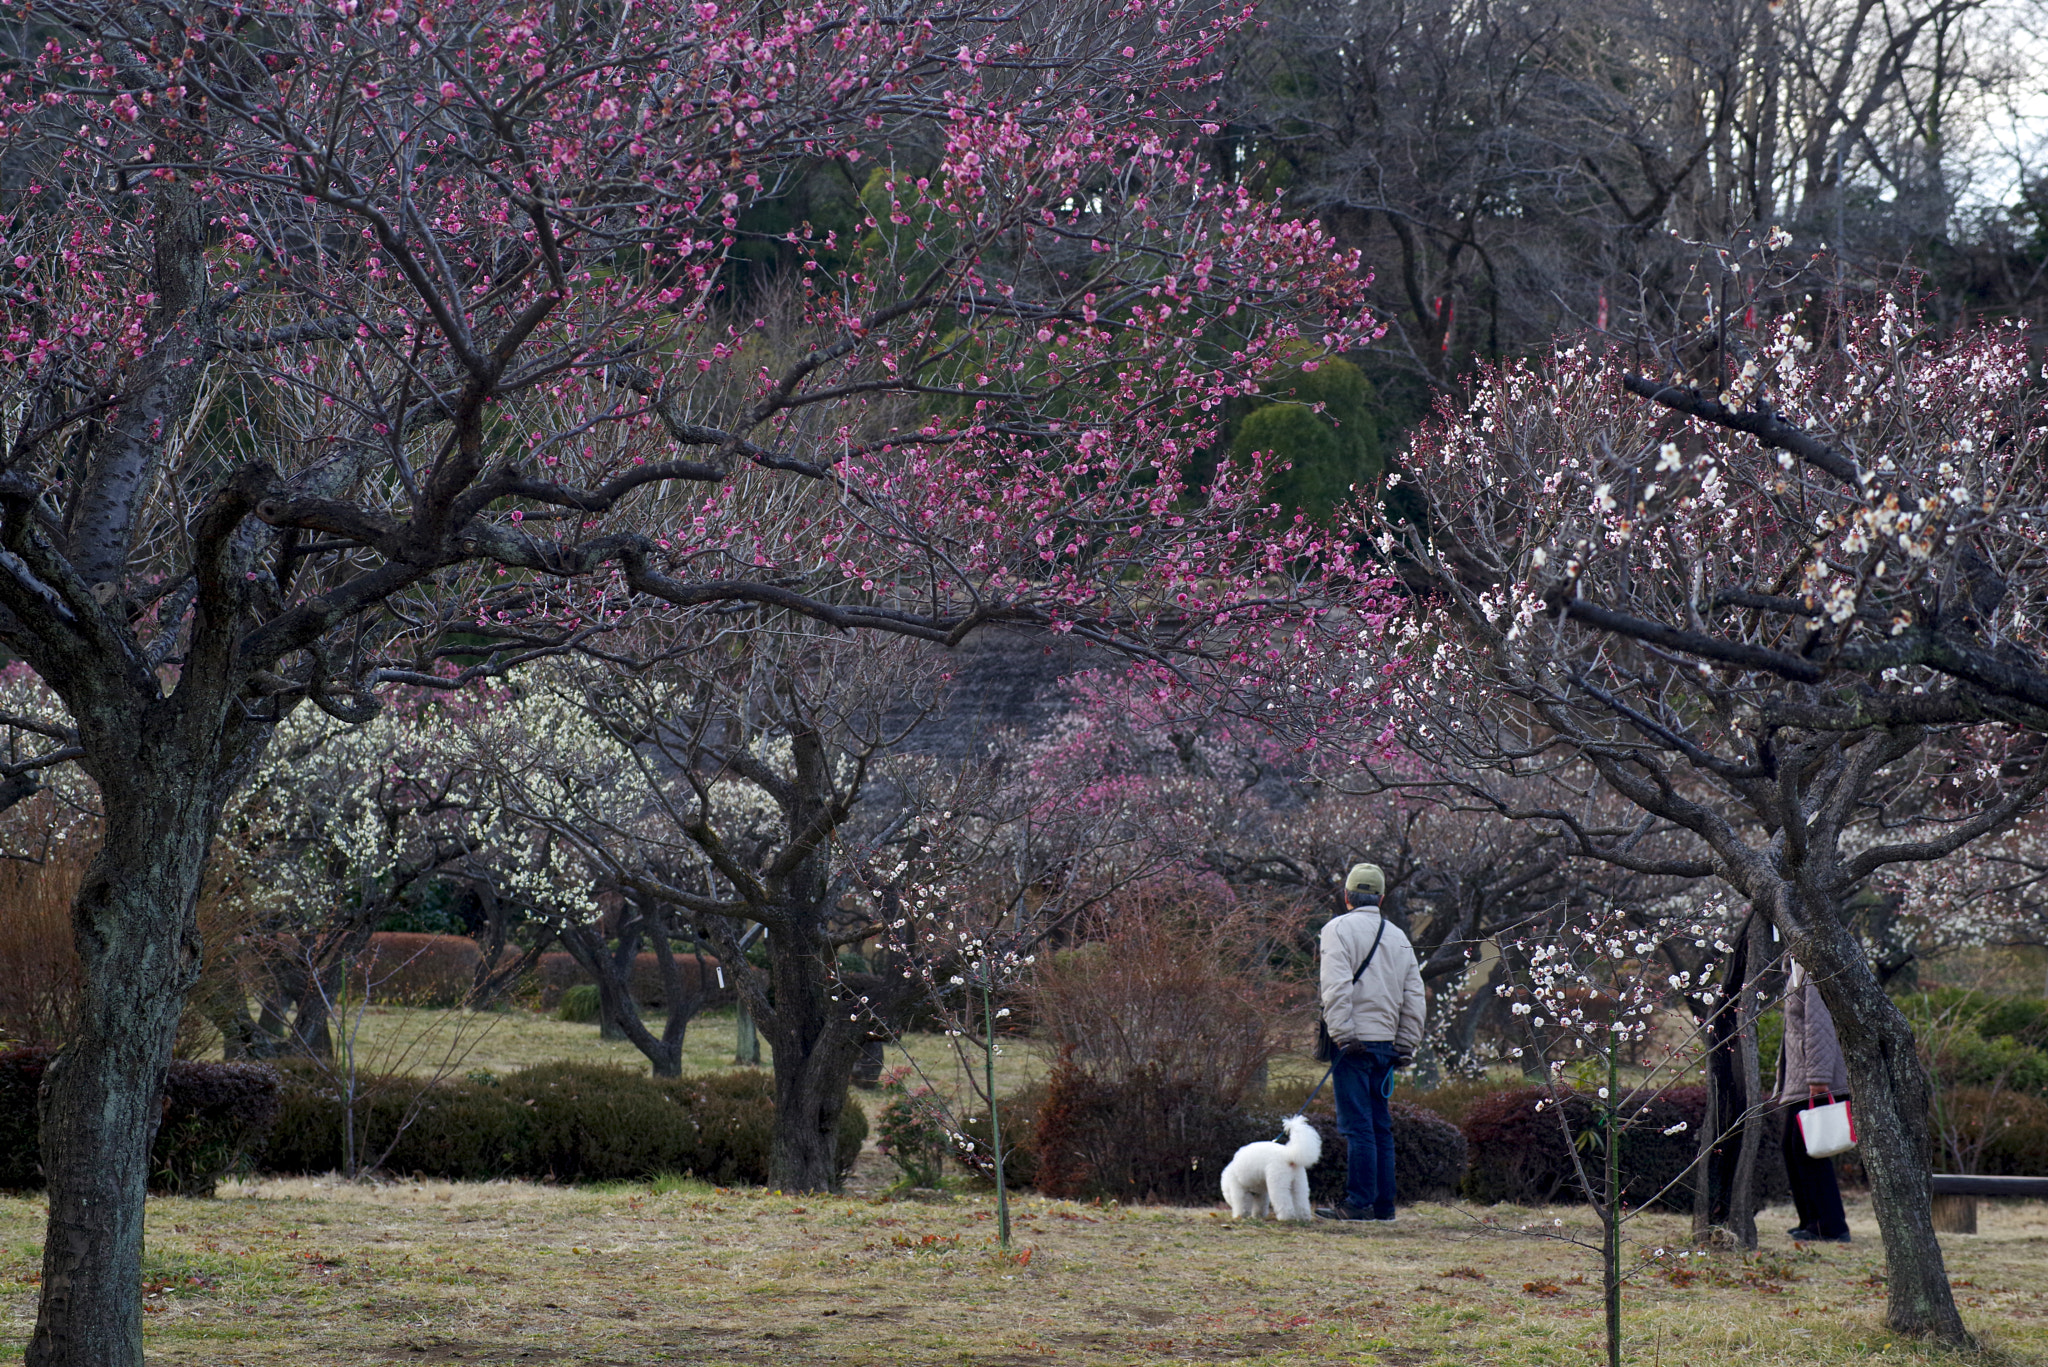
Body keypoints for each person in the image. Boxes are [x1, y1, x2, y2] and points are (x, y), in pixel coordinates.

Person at [1315, 862, 1426, 1222]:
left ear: (1347, 896)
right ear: (1381, 898)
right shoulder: (1398, 936)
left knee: (1357, 1127)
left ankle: (1358, 1204)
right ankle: (1384, 1208)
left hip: (1353, 1045)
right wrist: (1406, 1045)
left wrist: (1344, 1036)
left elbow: (1336, 988)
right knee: (1380, 1127)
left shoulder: (1336, 930)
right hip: (1387, 1045)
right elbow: (1414, 995)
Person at [1775, 959, 1852, 1243]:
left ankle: (1831, 1225)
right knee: (1793, 1148)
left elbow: (1821, 1026)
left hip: (1816, 1079)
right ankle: (1811, 1220)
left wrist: (1818, 1078)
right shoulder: (1797, 965)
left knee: (1807, 1150)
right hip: (1801, 1078)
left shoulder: (1814, 964)